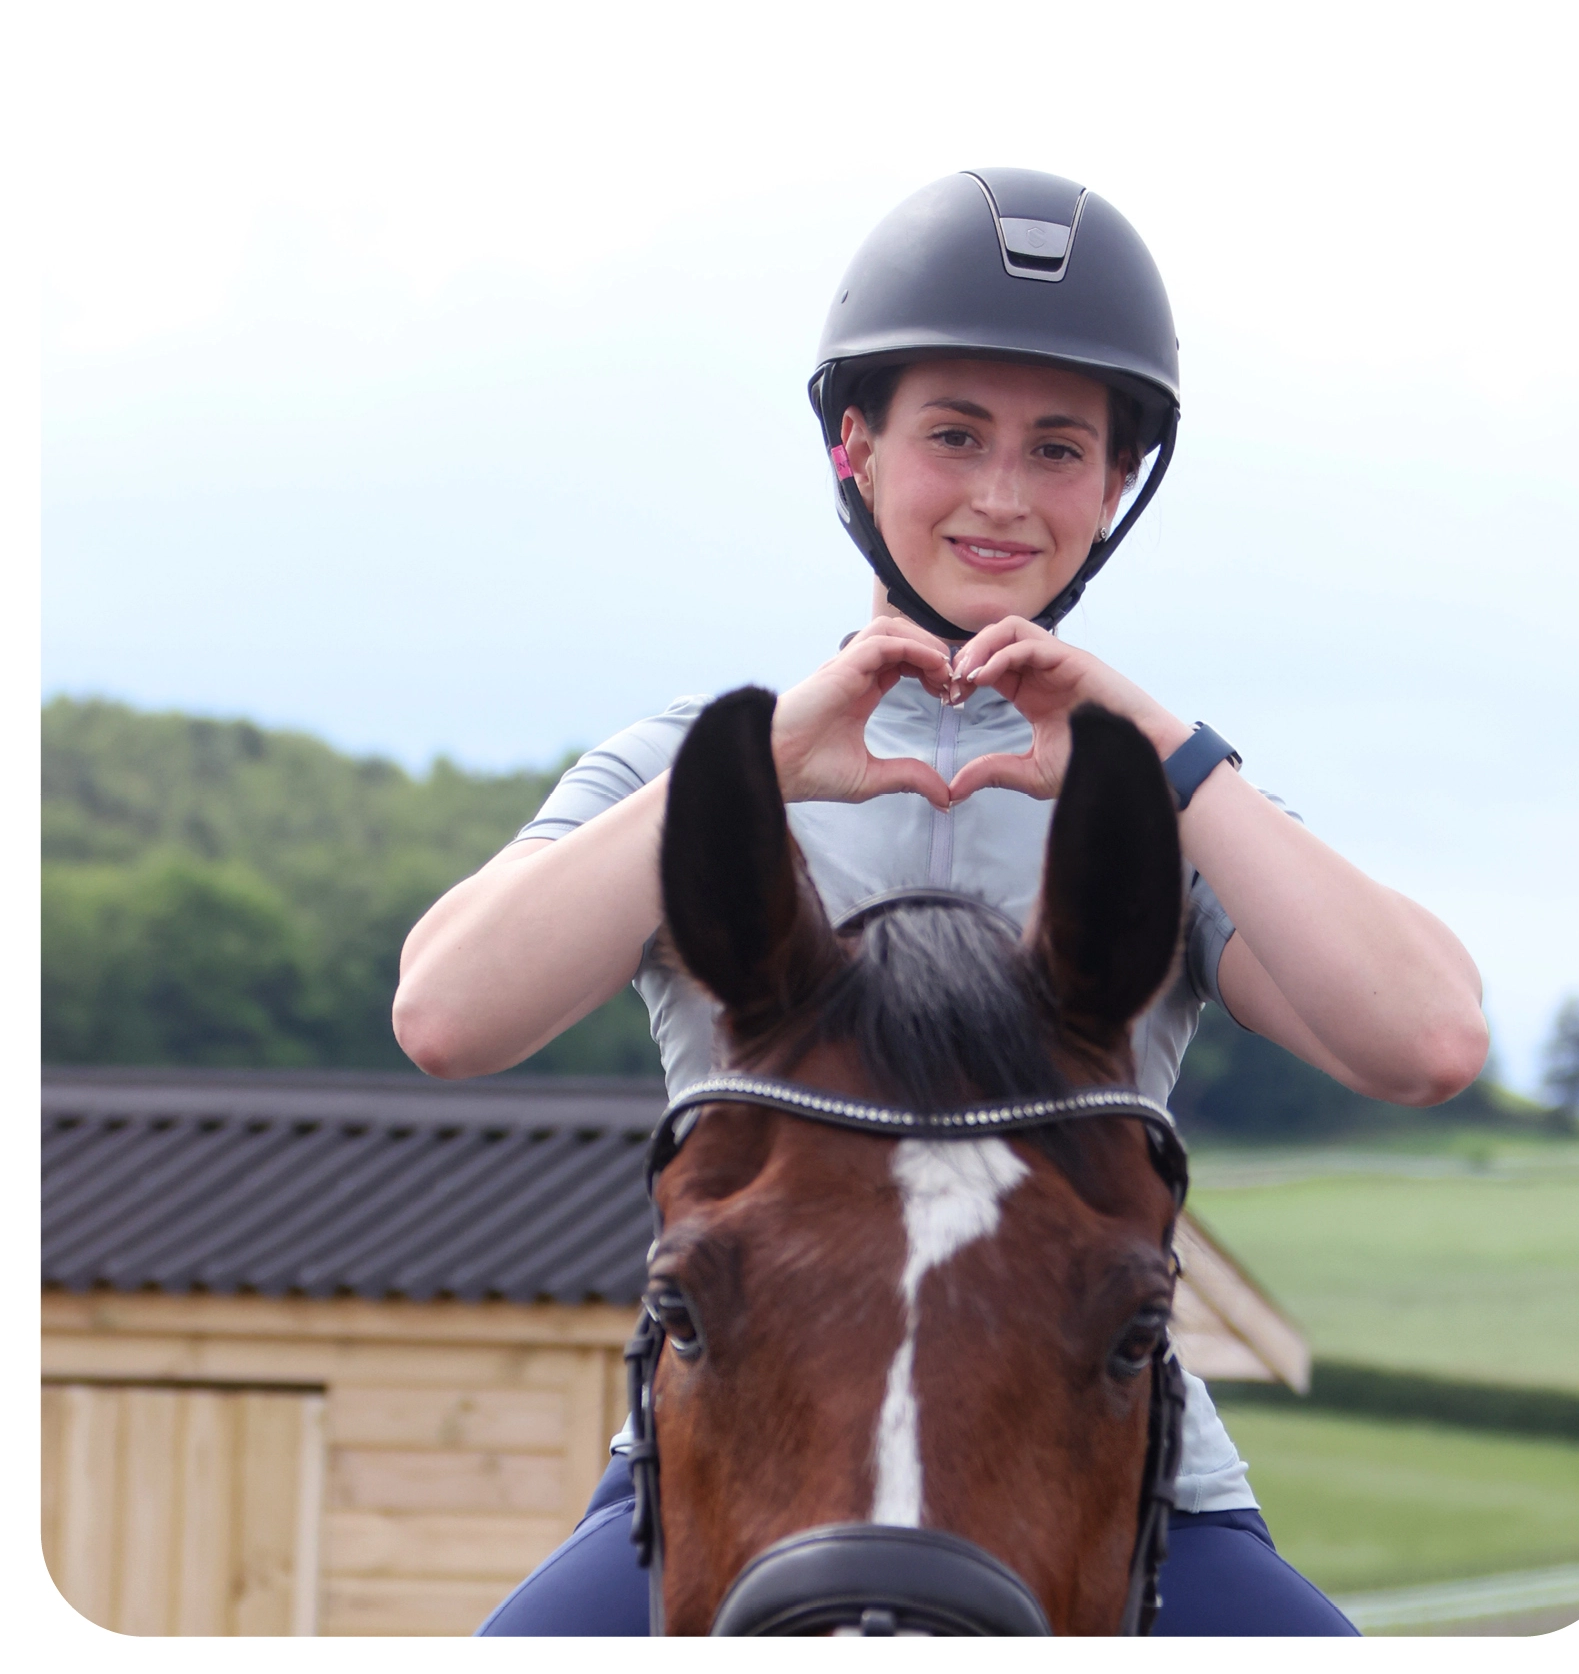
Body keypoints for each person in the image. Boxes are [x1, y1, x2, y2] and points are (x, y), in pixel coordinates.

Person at [393, 169, 1489, 1636]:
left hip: (1124, 1507)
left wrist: (1161, 753)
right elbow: (450, 1013)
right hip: (732, 1488)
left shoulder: (1166, 798)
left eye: (1056, 450)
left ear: (1112, 489)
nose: (999, 494)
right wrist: (773, 749)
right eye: (952, 436)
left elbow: (1421, 1042)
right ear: (854, 451)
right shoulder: (689, 762)